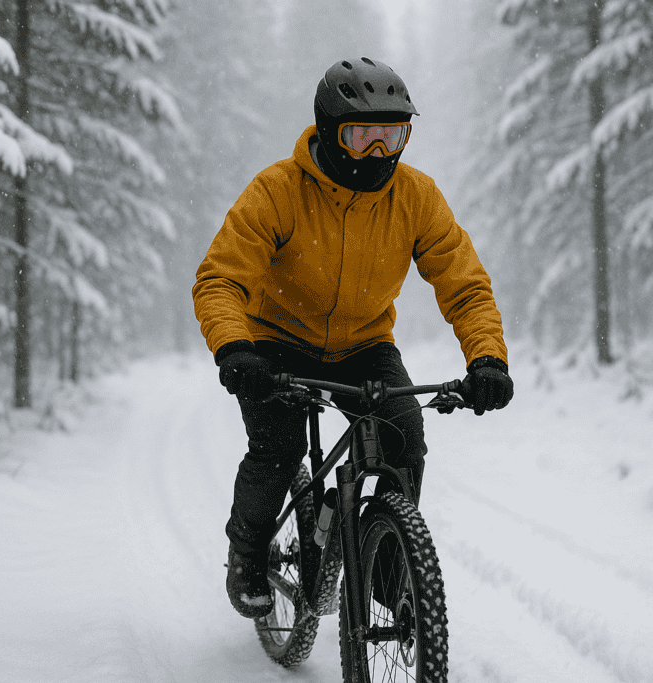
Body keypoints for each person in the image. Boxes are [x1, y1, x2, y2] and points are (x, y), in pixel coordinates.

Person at [192, 57, 514, 619]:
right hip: (273, 343)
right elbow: (220, 278)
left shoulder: (415, 196)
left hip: (363, 345)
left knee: (404, 438)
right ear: (329, 130)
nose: (378, 152)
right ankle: (247, 549)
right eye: (361, 135)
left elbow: (463, 283)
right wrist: (235, 347)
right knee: (279, 447)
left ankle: (389, 570)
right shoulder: (277, 191)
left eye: (393, 136)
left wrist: (487, 356)